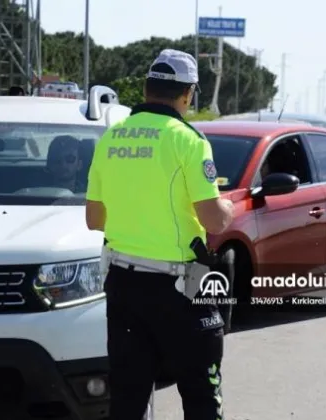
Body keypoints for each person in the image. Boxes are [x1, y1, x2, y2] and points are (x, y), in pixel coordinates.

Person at [84, 49, 235, 420]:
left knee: (128, 400)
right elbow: (214, 221)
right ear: (188, 94)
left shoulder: (112, 137)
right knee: (201, 394)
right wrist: (229, 207)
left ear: (148, 89)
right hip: (178, 291)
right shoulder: (188, 141)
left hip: (122, 285)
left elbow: (94, 218)